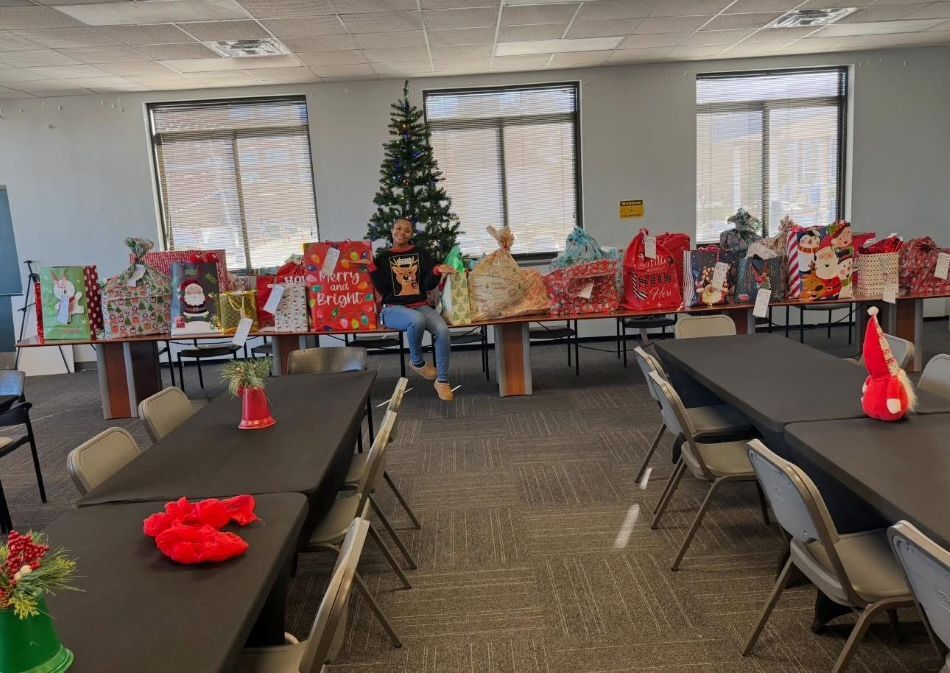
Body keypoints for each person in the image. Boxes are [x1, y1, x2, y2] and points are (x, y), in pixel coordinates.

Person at [371, 218, 457, 401]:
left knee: (442, 330)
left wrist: (436, 272)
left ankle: (442, 381)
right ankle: (417, 361)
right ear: (391, 230)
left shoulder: (420, 254)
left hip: (420, 305)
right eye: (398, 228)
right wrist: (371, 268)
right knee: (416, 319)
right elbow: (384, 290)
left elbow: (426, 285)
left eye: (407, 230)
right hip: (392, 309)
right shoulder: (383, 258)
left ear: (412, 234)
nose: (402, 232)